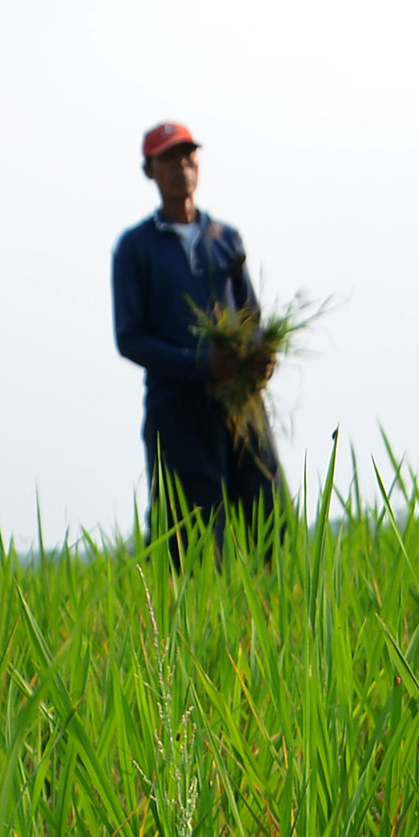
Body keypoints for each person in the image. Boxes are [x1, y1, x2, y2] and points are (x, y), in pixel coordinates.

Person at [110, 120, 284, 559]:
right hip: (176, 407)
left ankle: (272, 615)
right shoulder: (135, 248)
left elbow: (251, 316)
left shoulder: (224, 239)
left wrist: (260, 354)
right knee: (192, 535)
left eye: (188, 156)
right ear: (149, 170)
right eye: (168, 158)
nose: (181, 165)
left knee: (268, 512)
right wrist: (200, 364)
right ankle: (195, 624)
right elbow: (130, 338)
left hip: (238, 402)